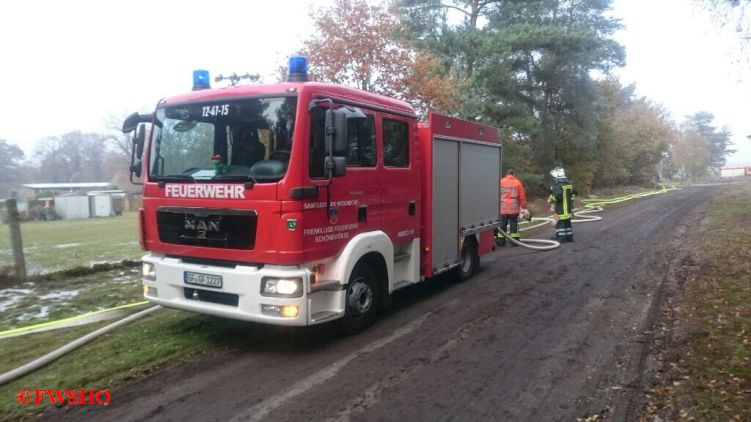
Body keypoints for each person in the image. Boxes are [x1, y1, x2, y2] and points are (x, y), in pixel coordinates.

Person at [496, 169, 528, 246]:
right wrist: (524, 207)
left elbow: (497, 194)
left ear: (507, 174)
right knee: (513, 223)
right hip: (513, 208)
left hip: (503, 207)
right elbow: (522, 197)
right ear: (513, 174)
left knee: (502, 224)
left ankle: (500, 241)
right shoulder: (517, 182)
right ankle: (514, 241)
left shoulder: (501, 181)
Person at [548, 167, 577, 242]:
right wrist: (570, 202)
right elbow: (574, 194)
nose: (554, 179)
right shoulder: (569, 184)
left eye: (554, 177)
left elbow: (557, 197)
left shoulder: (558, 186)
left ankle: (562, 238)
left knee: (560, 223)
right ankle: (569, 237)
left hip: (561, 208)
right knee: (567, 222)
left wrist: (551, 198)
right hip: (568, 208)